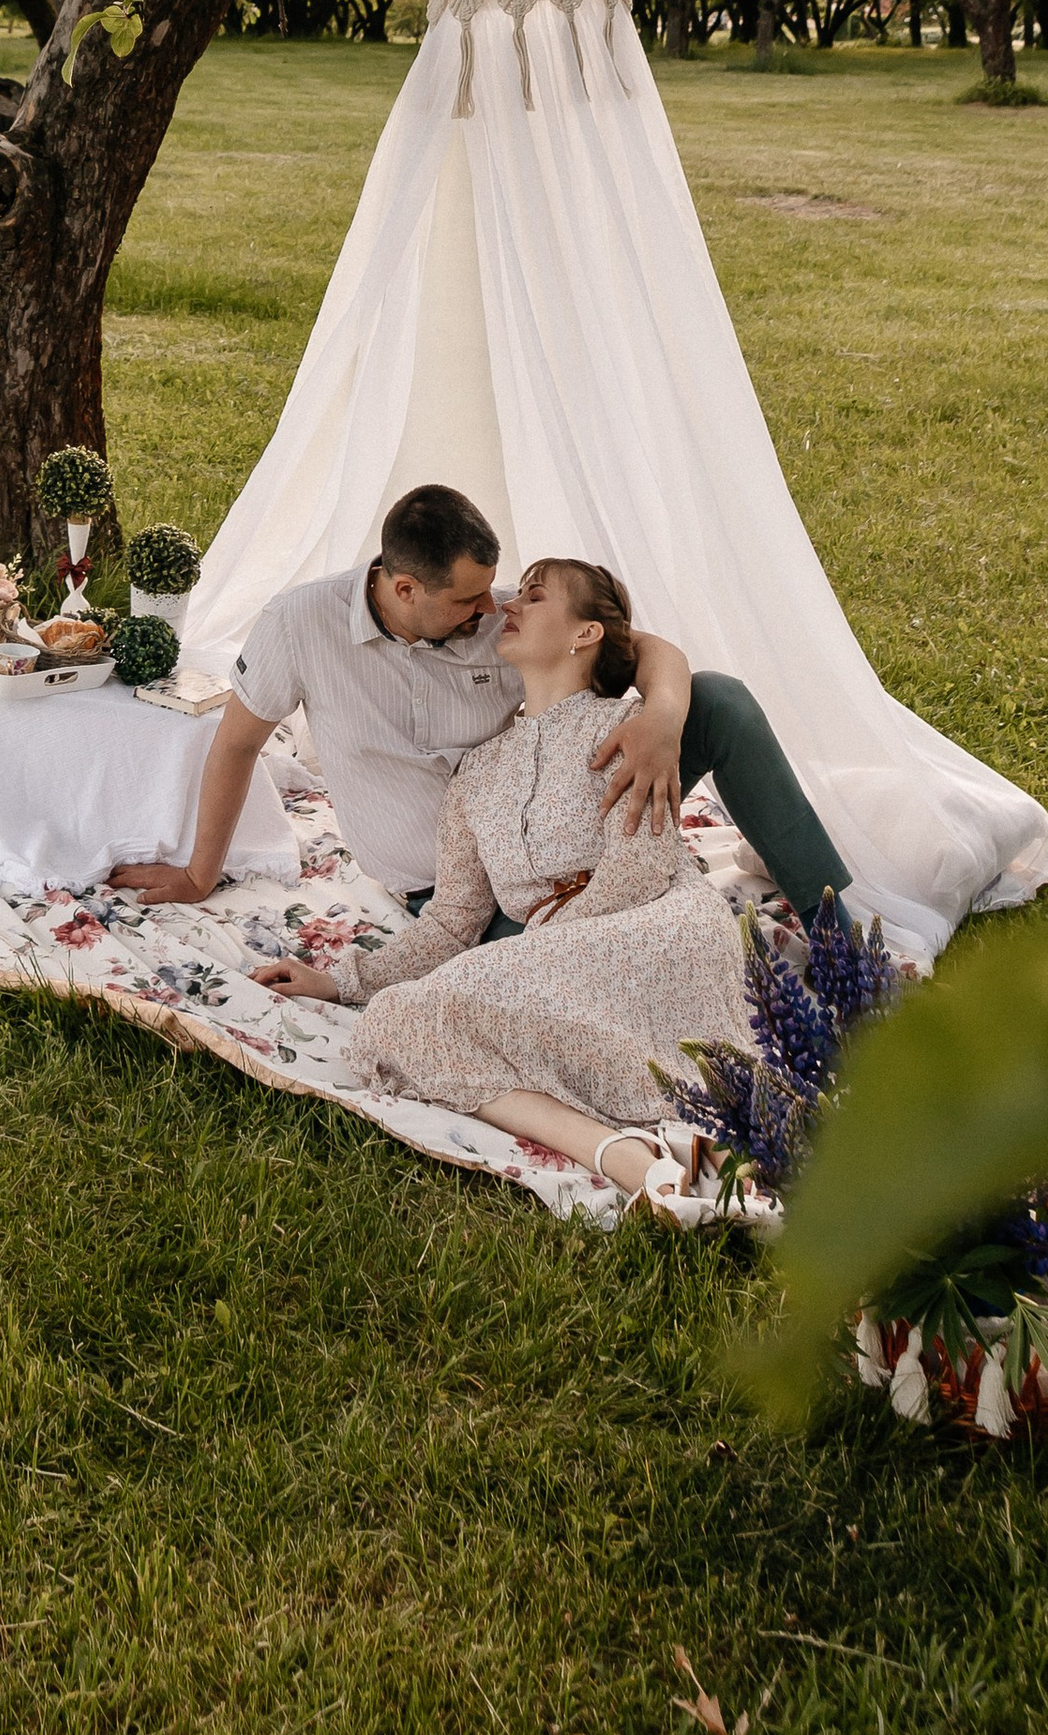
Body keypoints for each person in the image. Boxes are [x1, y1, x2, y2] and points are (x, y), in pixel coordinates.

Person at [249, 556, 768, 1220]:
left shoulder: (630, 728)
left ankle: (675, 1148)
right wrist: (342, 980)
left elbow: (640, 868)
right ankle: (627, 1155)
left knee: (451, 1005)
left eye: (534, 595)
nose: (507, 606)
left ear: (584, 634)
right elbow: (452, 921)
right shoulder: (477, 772)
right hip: (560, 956)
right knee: (396, 1019)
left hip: (659, 926)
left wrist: (536, 951)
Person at [108, 480, 850, 927]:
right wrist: (199, 874)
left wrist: (660, 717)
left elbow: (647, 647)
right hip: (460, 894)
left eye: (493, 591)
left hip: (568, 839)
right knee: (560, 977)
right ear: (405, 588)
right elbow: (237, 744)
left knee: (718, 701)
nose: (491, 608)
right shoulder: (300, 625)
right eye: (468, 599)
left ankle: (836, 933)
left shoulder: (502, 623)